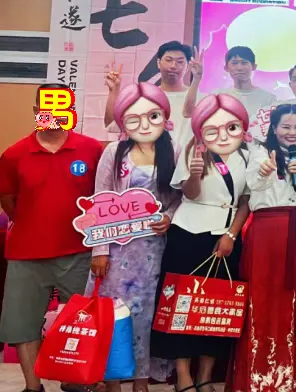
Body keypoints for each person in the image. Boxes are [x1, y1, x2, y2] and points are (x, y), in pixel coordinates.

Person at [0, 84, 104, 392]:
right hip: (25, 255)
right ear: (37, 112)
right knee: (22, 323)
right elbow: (8, 199)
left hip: (78, 253)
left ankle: (74, 383)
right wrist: (34, 223)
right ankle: (33, 387)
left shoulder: (91, 149)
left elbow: (102, 198)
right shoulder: (14, 154)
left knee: (81, 323)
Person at [152, 93, 253, 392]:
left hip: (226, 235)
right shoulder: (193, 150)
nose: (223, 132)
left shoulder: (247, 154)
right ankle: (183, 374)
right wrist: (195, 175)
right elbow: (190, 194)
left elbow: (246, 200)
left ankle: (205, 375)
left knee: (218, 305)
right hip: (189, 232)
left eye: (230, 125)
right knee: (181, 305)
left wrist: (231, 235)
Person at [88, 83, 179, 392]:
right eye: (134, 117)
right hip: (116, 250)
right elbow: (100, 200)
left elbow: (179, 198)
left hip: (153, 249)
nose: (145, 123)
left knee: (145, 313)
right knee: (114, 314)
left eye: (152, 115)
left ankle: (141, 380)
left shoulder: (172, 151)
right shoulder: (115, 152)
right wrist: (100, 250)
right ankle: (113, 380)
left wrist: (169, 216)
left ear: (163, 116)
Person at [228, 104, 296, 392]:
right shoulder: (259, 152)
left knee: (293, 300)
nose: (292, 132)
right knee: (262, 299)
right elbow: (253, 185)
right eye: (286, 127)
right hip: (267, 232)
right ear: (274, 128)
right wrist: (266, 169)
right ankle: (256, 377)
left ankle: (289, 377)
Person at [104, 41, 194, 142]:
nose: (173, 66)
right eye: (168, 60)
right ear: (158, 63)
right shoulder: (144, 97)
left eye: (180, 62)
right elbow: (112, 125)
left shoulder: (199, 99)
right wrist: (113, 90)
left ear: (188, 67)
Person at [185, 46, 277, 138]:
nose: (239, 68)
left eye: (244, 63)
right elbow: (188, 113)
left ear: (253, 66)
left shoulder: (268, 98)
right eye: (234, 63)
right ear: (226, 68)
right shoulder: (218, 95)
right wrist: (196, 78)